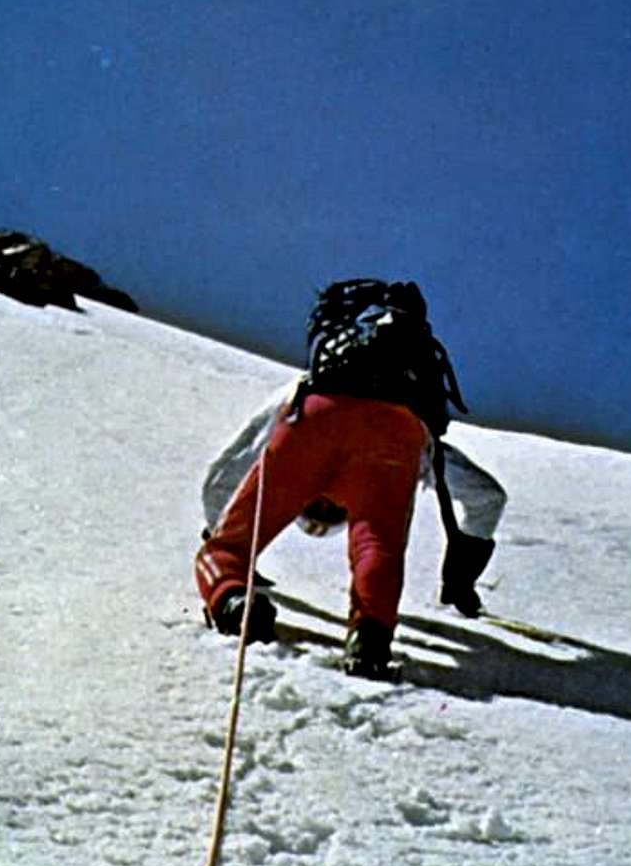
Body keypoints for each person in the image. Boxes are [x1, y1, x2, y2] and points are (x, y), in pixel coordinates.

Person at [194, 282, 507, 678]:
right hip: (397, 436)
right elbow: (487, 496)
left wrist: (225, 543)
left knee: (222, 553)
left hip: (314, 419)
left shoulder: (302, 386)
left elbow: (223, 474)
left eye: (317, 509)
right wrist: (461, 575)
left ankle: (233, 601)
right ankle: (369, 639)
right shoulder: (420, 438)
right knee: (376, 546)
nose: (324, 505)